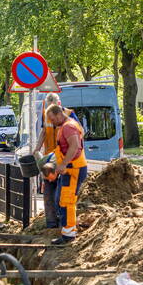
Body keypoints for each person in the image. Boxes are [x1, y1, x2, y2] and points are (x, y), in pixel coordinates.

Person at [43, 103, 88, 245]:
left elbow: (75, 146)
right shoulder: (65, 126)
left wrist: (63, 164)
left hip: (73, 168)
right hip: (70, 168)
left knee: (67, 201)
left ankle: (68, 235)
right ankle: (69, 230)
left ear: (58, 114)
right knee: (62, 200)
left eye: (52, 119)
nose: (52, 123)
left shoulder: (68, 127)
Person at [37, 94, 79, 230]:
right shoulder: (46, 115)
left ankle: (63, 222)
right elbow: (44, 132)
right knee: (48, 189)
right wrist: (37, 148)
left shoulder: (69, 115)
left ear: (58, 104)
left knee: (62, 192)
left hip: (63, 159)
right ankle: (51, 223)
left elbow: (77, 137)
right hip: (49, 159)